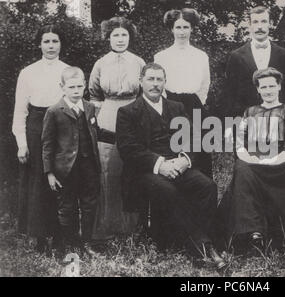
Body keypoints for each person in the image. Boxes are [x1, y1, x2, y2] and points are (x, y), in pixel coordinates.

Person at [116, 62, 225, 269]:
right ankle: (203, 247)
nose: (155, 84)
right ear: (141, 81)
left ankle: (192, 240)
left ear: (165, 82)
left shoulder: (176, 107)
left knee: (207, 186)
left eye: (159, 79)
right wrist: (161, 164)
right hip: (146, 171)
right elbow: (129, 149)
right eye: (150, 79)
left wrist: (184, 160)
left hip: (178, 164)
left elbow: (192, 138)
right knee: (167, 190)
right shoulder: (128, 112)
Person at [225, 67, 285, 251]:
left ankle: (258, 229)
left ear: (279, 87)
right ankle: (253, 232)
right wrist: (251, 159)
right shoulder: (250, 112)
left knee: (246, 171)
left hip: (279, 163)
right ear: (257, 89)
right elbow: (239, 143)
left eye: (271, 86)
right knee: (242, 168)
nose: (268, 90)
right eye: (263, 87)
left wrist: (270, 161)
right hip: (252, 161)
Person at [41, 67, 115, 255]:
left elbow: (95, 131)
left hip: (89, 165)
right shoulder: (54, 111)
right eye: (71, 87)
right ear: (62, 87)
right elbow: (47, 144)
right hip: (66, 169)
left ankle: (86, 244)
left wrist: (120, 137)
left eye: (79, 86)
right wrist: (49, 172)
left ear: (85, 86)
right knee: (67, 207)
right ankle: (68, 246)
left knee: (90, 205)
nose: (76, 90)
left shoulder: (89, 107)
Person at [12, 24, 69, 253]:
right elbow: (20, 111)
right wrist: (22, 144)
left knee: (61, 177)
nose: (51, 46)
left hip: (62, 125)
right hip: (36, 127)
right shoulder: (28, 72)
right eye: (47, 41)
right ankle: (39, 237)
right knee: (38, 181)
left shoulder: (68, 70)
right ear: (39, 44)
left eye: (55, 41)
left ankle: (60, 235)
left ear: (61, 43)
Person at [89, 16, 145, 240]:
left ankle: (132, 228)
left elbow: (145, 93)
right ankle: (106, 226)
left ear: (129, 37)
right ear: (108, 38)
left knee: (131, 171)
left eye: (124, 35)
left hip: (133, 117)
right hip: (108, 116)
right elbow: (93, 93)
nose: (120, 39)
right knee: (107, 171)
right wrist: (99, 115)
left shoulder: (139, 62)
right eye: (116, 35)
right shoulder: (101, 63)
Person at [154, 8, 212, 177]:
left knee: (197, 148)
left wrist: (196, 103)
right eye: (178, 27)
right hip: (170, 105)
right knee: (173, 148)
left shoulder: (201, 56)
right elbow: (159, 85)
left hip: (194, 106)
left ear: (192, 28)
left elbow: (204, 84)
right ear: (171, 29)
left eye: (185, 27)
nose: (181, 32)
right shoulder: (161, 57)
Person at [221, 5, 285, 120]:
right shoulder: (236, 56)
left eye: (263, 21)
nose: (260, 27)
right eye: (255, 22)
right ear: (250, 25)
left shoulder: (283, 55)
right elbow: (229, 93)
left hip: (277, 118)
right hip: (245, 119)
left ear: (270, 24)